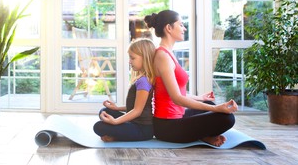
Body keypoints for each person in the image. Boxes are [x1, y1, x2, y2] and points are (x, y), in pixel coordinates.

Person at [144, 10, 237, 147]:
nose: (184, 28)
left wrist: (201, 98)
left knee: (209, 106)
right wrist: (217, 108)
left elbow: (176, 93)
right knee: (227, 118)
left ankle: (204, 136)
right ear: (169, 28)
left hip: (178, 117)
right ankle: (204, 135)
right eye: (181, 25)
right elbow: (176, 98)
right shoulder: (162, 56)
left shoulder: (169, 53)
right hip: (168, 126)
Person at [93, 38, 155, 142]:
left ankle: (115, 136)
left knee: (99, 127)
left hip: (142, 129)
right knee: (104, 111)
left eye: (132, 58)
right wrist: (116, 108)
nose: (129, 61)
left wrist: (115, 122)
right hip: (134, 122)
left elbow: (137, 111)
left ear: (145, 58)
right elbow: (136, 106)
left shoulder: (143, 81)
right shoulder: (141, 79)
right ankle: (116, 134)